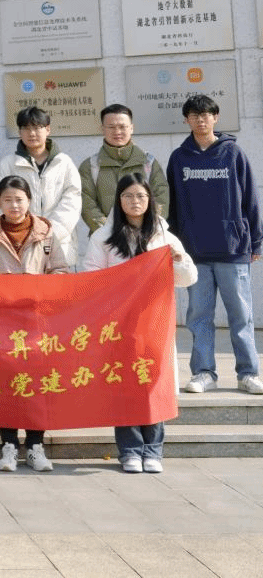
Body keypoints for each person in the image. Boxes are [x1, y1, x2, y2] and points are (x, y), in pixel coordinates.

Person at [82, 174, 197, 473]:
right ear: (118, 200)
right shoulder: (103, 237)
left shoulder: (164, 236)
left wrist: (179, 260)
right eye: (128, 196)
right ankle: (130, 450)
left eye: (141, 196)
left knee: (153, 382)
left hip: (154, 323)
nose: (135, 202)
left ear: (150, 201)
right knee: (125, 384)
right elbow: (91, 278)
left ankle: (153, 450)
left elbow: (188, 279)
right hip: (120, 324)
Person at [0, 175, 72, 473]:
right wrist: (0, 291)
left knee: (38, 384)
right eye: (8, 200)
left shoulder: (46, 233)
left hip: (38, 321)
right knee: (6, 385)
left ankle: (36, 446)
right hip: (0, 322)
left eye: (19, 199)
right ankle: (9, 446)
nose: (14, 205)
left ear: (29, 201)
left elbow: (61, 271)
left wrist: (36, 288)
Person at [166, 94, 263, 395]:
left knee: (241, 316)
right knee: (199, 316)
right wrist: (174, 245)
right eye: (195, 115)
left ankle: (248, 373)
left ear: (216, 117)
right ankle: (204, 372)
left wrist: (256, 242)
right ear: (187, 120)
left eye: (206, 114)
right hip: (195, 252)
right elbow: (172, 206)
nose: (201, 119)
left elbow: (250, 198)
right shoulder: (179, 157)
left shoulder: (233, 153)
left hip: (233, 249)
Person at [0, 106, 81, 262]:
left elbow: (72, 201)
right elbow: (0, 203)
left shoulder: (64, 163)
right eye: (26, 128)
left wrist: (49, 233)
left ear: (47, 129)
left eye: (37, 127)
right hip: (20, 244)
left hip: (59, 243)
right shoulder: (8, 164)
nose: (32, 133)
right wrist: (19, 236)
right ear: (20, 132)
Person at [80, 103, 169, 233]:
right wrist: (109, 232)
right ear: (102, 129)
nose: (117, 132)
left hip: (146, 236)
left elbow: (161, 198)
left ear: (131, 128)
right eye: (111, 127)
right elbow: (87, 204)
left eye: (122, 127)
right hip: (106, 239)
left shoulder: (148, 163)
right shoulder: (90, 166)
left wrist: (147, 229)